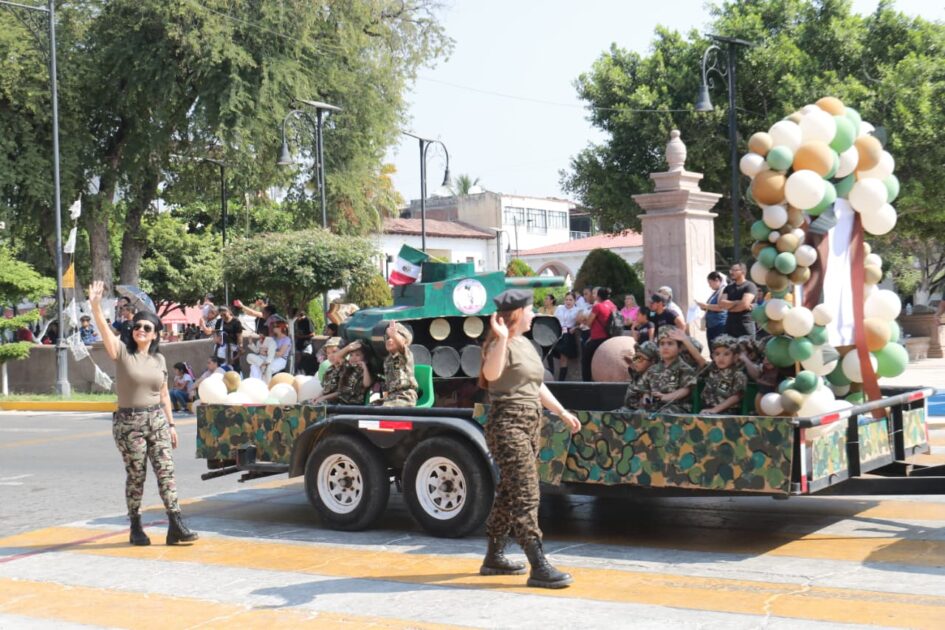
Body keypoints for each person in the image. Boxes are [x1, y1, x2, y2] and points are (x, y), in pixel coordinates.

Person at [477, 288, 580, 589]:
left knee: (510, 493)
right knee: (526, 494)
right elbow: (492, 374)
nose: (535, 313)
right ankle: (539, 564)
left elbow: (535, 385)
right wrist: (503, 337)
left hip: (529, 422)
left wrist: (561, 412)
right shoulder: (500, 342)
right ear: (518, 313)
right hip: (507, 424)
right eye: (531, 309)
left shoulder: (526, 344)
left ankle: (494, 556)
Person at [87, 280, 198, 547]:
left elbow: (163, 395)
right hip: (129, 423)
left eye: (146, 327)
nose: (140, 330)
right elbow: (104, 331)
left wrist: (171, 425)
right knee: (137, 475)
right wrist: (95, 306)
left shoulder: (159, 360)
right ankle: (136, 526)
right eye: (137, 326)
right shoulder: (123, 353)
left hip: (156, 420)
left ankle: (176, 524)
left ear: (155, 334)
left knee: (166, 471)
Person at [639, 327, 696, 414]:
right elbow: (646, 389)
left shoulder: (685, 368)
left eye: (670, 343)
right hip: (655, 407)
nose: (665, 347)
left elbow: (686, 390)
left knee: (664, 414)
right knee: (639, 414)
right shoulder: (652, 369)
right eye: (662, 344)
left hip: (677, 408)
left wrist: (665, 397)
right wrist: (646, 400)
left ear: (679, 348)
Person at [580, 287, 617, 382]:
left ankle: (586, 383)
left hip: (597, 338)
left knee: (585, 360)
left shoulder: (598, 306)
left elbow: (589, 323)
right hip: (609, 337)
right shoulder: (612, 305)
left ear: (598, 296)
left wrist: (584, 320)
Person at [378, 322, 418, 407]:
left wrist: (394, 334)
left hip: (405, 396)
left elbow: (401, 346)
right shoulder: (387, 360)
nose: (389, 340)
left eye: (393, 337)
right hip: (391, 397)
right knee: (368, 409)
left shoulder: (405, 354)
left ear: (405, 341)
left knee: (385, 409)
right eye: (388, 338)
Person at [720, 262, 758, 338]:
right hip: (730, 325)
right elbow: (721, 304)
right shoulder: (728, 287)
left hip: (745, 325)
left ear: (742, 271)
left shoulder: (750, 286)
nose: (731, 272)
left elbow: (744, 304)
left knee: (747, 348)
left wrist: (730, 307)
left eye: (734, 270)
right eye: (731, 270)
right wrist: (737, 302)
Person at [619, 340, 658, 411]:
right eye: (636, 357)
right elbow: (633, 366)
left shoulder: (654, 378)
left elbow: (649, 401)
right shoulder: (638, 373)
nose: (636, 362)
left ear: (653, 362)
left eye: (641, 359)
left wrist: (646, 402)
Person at [550, 292, 580, 381]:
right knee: (549, 351)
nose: (568, 302)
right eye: (566, 299)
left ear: (574, 301)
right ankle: (551, 372)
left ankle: (560, 381)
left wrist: (575, 327)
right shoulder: (560, 308)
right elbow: (554, 319)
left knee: (564, 358)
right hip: (558, 332)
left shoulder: (578, 310)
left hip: (568, 335)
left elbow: (582, 324)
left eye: (570, 300)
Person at [696, 271, 728, 345]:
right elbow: (711, 306)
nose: (709, 286)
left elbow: (721, 307)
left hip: (719, 325)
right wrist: (703, 307)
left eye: (710, 283)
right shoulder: (716, 292)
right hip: (711, 325)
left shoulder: (723, 290)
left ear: (717, 280)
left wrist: (706, 306)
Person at [313, 337, 344, 403]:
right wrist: (318, 397)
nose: (330, 356)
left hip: (342, 406)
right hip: (329, 403)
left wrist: (324, 397)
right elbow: (326, 388)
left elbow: (342, 392)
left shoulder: (346, 369)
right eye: (328, 353)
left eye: (334, 352)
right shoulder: (330, 369)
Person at [214, 306, 243, 371]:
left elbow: (239, 335)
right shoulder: (219, 322)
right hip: (221, 349)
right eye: (221, 315)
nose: (223, 317)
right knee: (221, 367)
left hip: (232, 348)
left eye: (224, 314)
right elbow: (216, 334)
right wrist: (216, 339)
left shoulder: (236, 322)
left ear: (229, 312)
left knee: (234, 367)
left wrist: (240, 346)